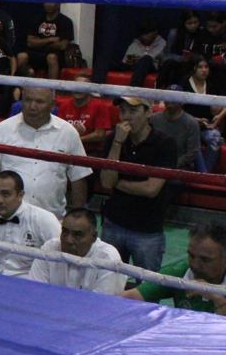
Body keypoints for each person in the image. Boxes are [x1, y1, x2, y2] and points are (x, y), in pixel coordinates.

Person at [0, 86, 92, 220]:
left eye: (39, 102)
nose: (32, 106)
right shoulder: (2, 129)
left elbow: (78, 179)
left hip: (52, 221)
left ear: (52, 105)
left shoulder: (68, 132)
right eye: (28, 100)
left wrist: (76, 220)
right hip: (8, 220)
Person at [98, 96, 177, 273]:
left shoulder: (165, 144)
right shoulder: (114, 139)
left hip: (147, 229)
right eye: (122, 111)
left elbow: (151, 189)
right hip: (114, 223)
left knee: (147, 285)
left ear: (148, 112)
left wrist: (117, 183)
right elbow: (106, 182)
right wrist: (118, 142)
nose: (126, 117)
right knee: (107, 280)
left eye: (133, 111)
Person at [0, 170, 60, 277]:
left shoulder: (44, 219)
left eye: (6, 194)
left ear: (20, 195)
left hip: (35, 283)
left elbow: (60, 263)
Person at [122, 223, 226, 315]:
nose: (195, 265)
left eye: (205, 260)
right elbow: (128, 297)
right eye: (191, 256)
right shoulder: (180, 272)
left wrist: (217, 298)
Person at [28, 207, 127, 295]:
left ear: (94, 236)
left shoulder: (108, 258)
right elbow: (35, 290)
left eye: (77, 235)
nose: (68, 240)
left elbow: (102, 305)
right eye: (65, 232)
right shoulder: (50, 248)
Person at [183, 56, 224, 172]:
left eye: (206, 67)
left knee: (215, 138)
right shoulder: (184, 83)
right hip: (187, 124)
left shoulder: (212, 85)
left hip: (207, 125)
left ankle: (203, 174)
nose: (204, 70)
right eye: (200, 67)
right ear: (193, 69)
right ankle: (202, 174)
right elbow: (177, 109)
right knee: (194, 139)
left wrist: (218, 119)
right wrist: (195, 120)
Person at [56, 75, 115, 156]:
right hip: (67, 149)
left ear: (90, 89)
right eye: (76, 86)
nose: (78, 89)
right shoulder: (64, 105)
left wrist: (77, 139)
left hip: (91, 152)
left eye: (82, 87)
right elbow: (59, 131)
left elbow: (100, 135)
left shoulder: (99, 106)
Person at [151, 86, 201, 171]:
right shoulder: (153, 119)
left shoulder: (191, 123)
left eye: (174, 97)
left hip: (179, 168)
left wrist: (171, 165)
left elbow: (192, 153)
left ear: (182, 101)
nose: (170, 99)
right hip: (155, 164)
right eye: (168, 96)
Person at [23, 3, 73, 80]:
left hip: (56, 54)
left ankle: (51, 90)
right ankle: (23, 87)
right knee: (21, 56)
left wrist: (39, 42)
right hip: (37, 52)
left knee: (51, 57)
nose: (48, 5)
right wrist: (50, 40)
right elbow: (30, 42)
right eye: (46, 2)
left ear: (58, 4)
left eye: (51, 2)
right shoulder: (37, 19)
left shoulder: (66, 21)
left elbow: (63, 45)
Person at [124, 19, 168, 89]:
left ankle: (134, 89)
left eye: (147, 33)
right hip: (134, 65)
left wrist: (142, 58)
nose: (145, 36)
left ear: (155, 32)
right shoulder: (136, 43)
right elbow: (127, 60)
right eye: (143, 34)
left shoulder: (162, 43)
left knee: (146, 59)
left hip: (151, 66)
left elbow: (159, 60)